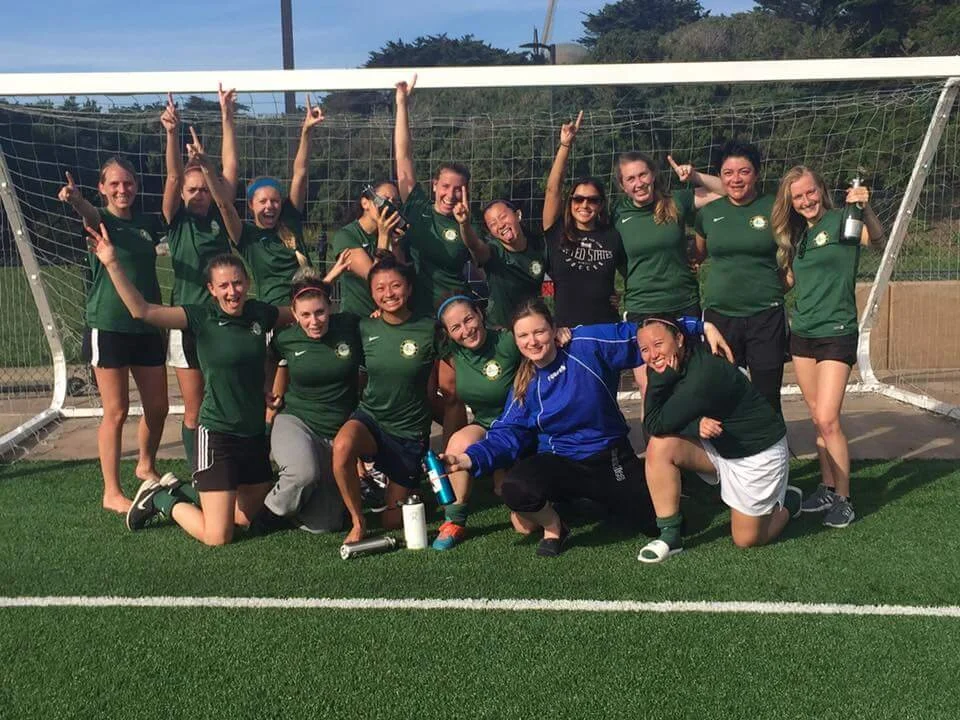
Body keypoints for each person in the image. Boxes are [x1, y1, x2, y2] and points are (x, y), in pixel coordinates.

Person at [441, 299, 732, 557]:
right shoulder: (525, 385)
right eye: (524, 336)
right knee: (515, 490)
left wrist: (701, 327)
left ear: (554, 329)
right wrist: (468, 459)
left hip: (608, 457)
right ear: (516, 342)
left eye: (539, 331)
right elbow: (507, 435)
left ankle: (648, 489)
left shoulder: (586, 344)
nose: (533, 341)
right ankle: (556, 527)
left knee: (664, 523)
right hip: (562, 463)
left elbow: (640, 334)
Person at [772, 166, 885, 529]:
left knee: (827, 418)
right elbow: (788, 282)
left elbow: (878, 240)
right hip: (802, 333)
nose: (806, 201)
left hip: (837, 332)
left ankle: (844, 498)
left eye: (810, 192)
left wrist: (865, 207)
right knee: (816, 414)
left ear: (821, 189)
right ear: (790, 202)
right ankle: (825, 485)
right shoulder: (797, 237)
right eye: (798, 197)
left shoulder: (843, 221)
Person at [637, 319, 802, 563]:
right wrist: (694, 424)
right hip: (722, 444)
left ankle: (787, 502)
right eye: (644, 349)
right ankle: (670, 534)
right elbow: (655, 424)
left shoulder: (702, 376)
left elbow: (653, 420)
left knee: (747, 540)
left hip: (756, 453)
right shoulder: (667, 367)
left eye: (658, 344)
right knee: (660, 446)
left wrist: (662, 386)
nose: (652, 355)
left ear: (680, 339)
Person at [57, 157, 168, 514]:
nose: (123, 189)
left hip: (148, 323)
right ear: (102, 188)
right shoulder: (99, 220)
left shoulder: (147, 223)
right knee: (116, 411)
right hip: (109, 326)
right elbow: (88, 214)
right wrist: (75, 199)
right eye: (115, 184)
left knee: (158, 407)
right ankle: (111, 492)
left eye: (129, 183)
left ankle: (145, 465)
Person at [331, 255, 444, 543]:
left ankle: (403, 484)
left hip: (408, 432)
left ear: (408, 288)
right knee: (343, 446)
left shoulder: (429, 329)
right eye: (380, 288)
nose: (388, 294)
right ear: (371, 294)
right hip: (371, 419)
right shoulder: (364, 328)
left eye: (395, 286)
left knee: (393, 521)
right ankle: (357, 521)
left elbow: (447, 384)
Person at [160, 85, 237, 472]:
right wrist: (172, 133)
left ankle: (230, 462)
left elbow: (229, 173)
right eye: (193, 190)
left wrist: (227, 118)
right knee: (194, 406)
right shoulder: (176, 221)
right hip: (188, 322)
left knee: (224, 398)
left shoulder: (223, 219)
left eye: (204, 189)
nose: (199, 195)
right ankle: (199, 470)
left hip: (223, 323)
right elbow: (173, 177)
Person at [258, 263, 363, 533]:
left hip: (335, 432)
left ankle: (294, 490)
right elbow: (269, 358)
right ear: (293, 313)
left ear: (331, 307)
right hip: (297, 421)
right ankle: (266, 515)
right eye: (305, 315)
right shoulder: (286, 338)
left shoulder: (350, 326)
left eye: (320, 312)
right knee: (303, 474)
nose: (314, 321)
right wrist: (268, 389)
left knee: (325, 525)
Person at [393, 74, 467, 437]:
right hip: (417, 313)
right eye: (446, 186)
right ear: (435, 185)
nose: (451, 194)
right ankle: (417, 458)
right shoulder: (418, 206)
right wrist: (402, 103)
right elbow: (403, 157)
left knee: (452, 392)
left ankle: (456, 459)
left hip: (452, 314)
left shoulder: (467, 224)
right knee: (420, 391)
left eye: (458, 189)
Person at [614, 151, 724, 391]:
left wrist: (695, 176)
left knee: (691, 384)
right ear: (622, 186)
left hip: (682, 303)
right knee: (652, 389)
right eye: (630, 179)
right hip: (642, 308)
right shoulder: (617, 215)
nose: (639, 182)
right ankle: (655, 430)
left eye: (643, 174)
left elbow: (727, 189)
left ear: (653, 174)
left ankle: (696, 429)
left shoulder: (676, 201)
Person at [693, 140, 786, 416]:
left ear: (756, 174)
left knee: (767, 396)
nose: (736, 179)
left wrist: (782, 284)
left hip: (765, 316)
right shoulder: (708, 214)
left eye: (744, 172)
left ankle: (773, 456)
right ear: (720, 177)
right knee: (722, 394)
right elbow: (697, 255)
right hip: (720, 317)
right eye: (728, 173)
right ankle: (728, 457)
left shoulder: (775, 208)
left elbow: (794, 253)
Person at [432, 294, 528, 549]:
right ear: (448, 334)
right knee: (456, 443)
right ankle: (455, 521)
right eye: (456, 327)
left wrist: (559, 333)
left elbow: (537, 337)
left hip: (520, 428)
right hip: (485, 425)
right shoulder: (453, 350)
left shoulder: (507, 341)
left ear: (480, 313)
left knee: (524, 525)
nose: (465, 330)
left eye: (468, 319)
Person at [221, 95, 324, 306]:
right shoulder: (245, 236)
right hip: (274, 313)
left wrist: (307, 132)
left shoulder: (289, 219)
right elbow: (224, 205)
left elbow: (301, 174)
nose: (270, 206)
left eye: (275, 201)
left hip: (309, 306)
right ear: (251, 205)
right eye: (263, 201)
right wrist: (227, 117)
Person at [542, 111, 625, 327]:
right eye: (578, 199)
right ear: (570, 202)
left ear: (601, 205)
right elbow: (553, 189)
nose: (584, 205)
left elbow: (633, 274)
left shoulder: (612, 236)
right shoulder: (556, 230)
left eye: (592, 200)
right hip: (568, 332)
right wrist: (565, 146)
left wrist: (623, 297)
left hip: (607, 328)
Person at [456, 194, 546, 329]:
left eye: (503, 217)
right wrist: (464, 224)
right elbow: (474, 245)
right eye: (492, 224)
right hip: (501, 330)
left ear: (518, 215)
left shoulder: (539, 245)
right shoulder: (493, 252)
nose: (500, 225)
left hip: (531, 325)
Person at [330, 181, 407, 318]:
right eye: (384, 199)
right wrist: (383, 237)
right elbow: (374, 277)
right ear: (365, 203)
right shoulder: (346, 236)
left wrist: (395, 245)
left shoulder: (392, 234)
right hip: (357, 317)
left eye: (394, 202)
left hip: (389, 316)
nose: (388, 206)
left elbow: (402, 275)